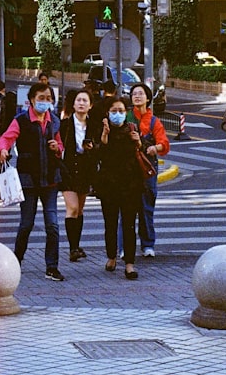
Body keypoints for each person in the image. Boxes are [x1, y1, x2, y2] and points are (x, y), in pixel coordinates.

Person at [0, 83, 67, 281]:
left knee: (52, 225)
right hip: (28, 180)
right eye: (41, 98)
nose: (45, 102)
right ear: (32, 99)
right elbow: (6, 138)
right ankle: (16, 260)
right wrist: (3, 149)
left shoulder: (54, 121)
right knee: (26, 223)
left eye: (48, 98)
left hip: (51, 180)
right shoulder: (21, 120)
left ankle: (51, 267)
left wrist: (57, 148)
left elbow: (60, 145)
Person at [94, 98, 144, 280]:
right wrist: (105, 136)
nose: (117, 113)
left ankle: (129, 263)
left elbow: (142, 150)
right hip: (109, 184)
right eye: (114, 110)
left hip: (130, 184)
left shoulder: (132, 128)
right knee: (110, 223)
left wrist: (138, 142)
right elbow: (98, 154)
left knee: (129, 225)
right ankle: (111, 256)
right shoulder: (103, 130)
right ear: (107, 112)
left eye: (121, 110)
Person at [127, 82, 170, 257]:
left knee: (146, 207)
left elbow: (164, 144)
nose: (137, 96)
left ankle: (148, 245)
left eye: (141, 94)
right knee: (127, 207)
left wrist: (155, 148)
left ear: (147, 98)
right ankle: (124, 247)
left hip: (147, 168)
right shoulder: (126, 116)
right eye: (134, 94)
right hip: (128, 167)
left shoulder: (154, 121)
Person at [60, 89, 97, 262]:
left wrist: (93, 149)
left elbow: (100, 148)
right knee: (72, 208)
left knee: (80, 209)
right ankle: (72, 247)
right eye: (78, 100)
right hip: (68, 170)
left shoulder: (94, 125)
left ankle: (76, 245)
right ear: (73, 104)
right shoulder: (65, 125)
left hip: (85, 170)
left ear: (90, 105)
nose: (81, 103)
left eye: (85, 100)